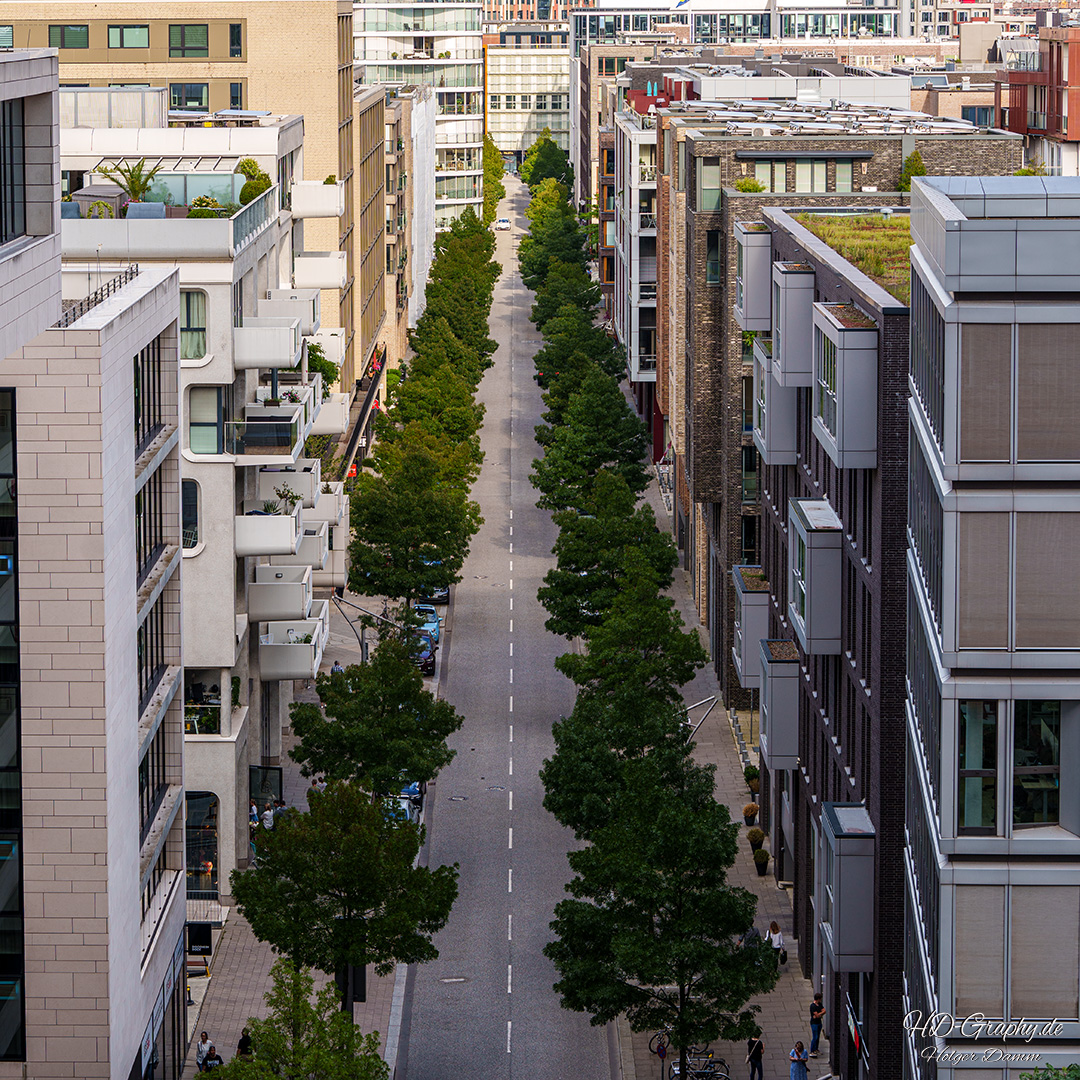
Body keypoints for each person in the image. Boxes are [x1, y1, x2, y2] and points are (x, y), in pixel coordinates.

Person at [809, 992, 825, 1057]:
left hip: (819, 1022)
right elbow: (817, 1015)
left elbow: (824, 1011)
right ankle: (812, 1050)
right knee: (815, 1037)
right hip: (814, 1023)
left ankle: (816, 1049)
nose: (821, 1000)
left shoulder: (819, 1004)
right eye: (820, 999)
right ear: (818, 999)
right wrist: (820, 1014)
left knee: (817, 1037)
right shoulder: (813, 1006)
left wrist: (819, 1014)